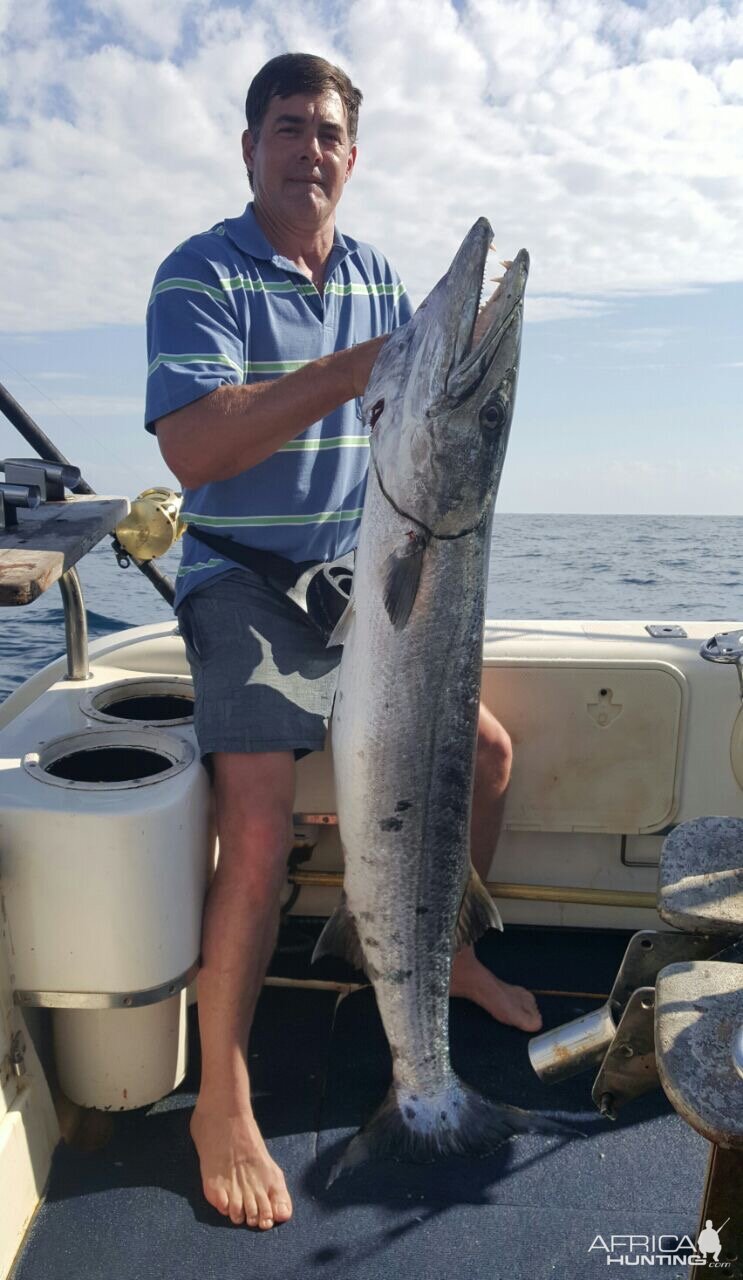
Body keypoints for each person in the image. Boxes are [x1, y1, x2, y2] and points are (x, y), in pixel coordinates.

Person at [145, 51, 541, 1233]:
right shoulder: (199, 274)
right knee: (259, 825)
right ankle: (223, 1082)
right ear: (250, 148)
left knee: (489, 757)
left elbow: (428, 414)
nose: (307, 149)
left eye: (326, 132)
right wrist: (359, 371)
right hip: (244, 583)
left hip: (356, 581)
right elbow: (194, 450)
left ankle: (442, 952)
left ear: (350, 157)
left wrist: (401, 368)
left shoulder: (381, 280)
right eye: (285, 128)